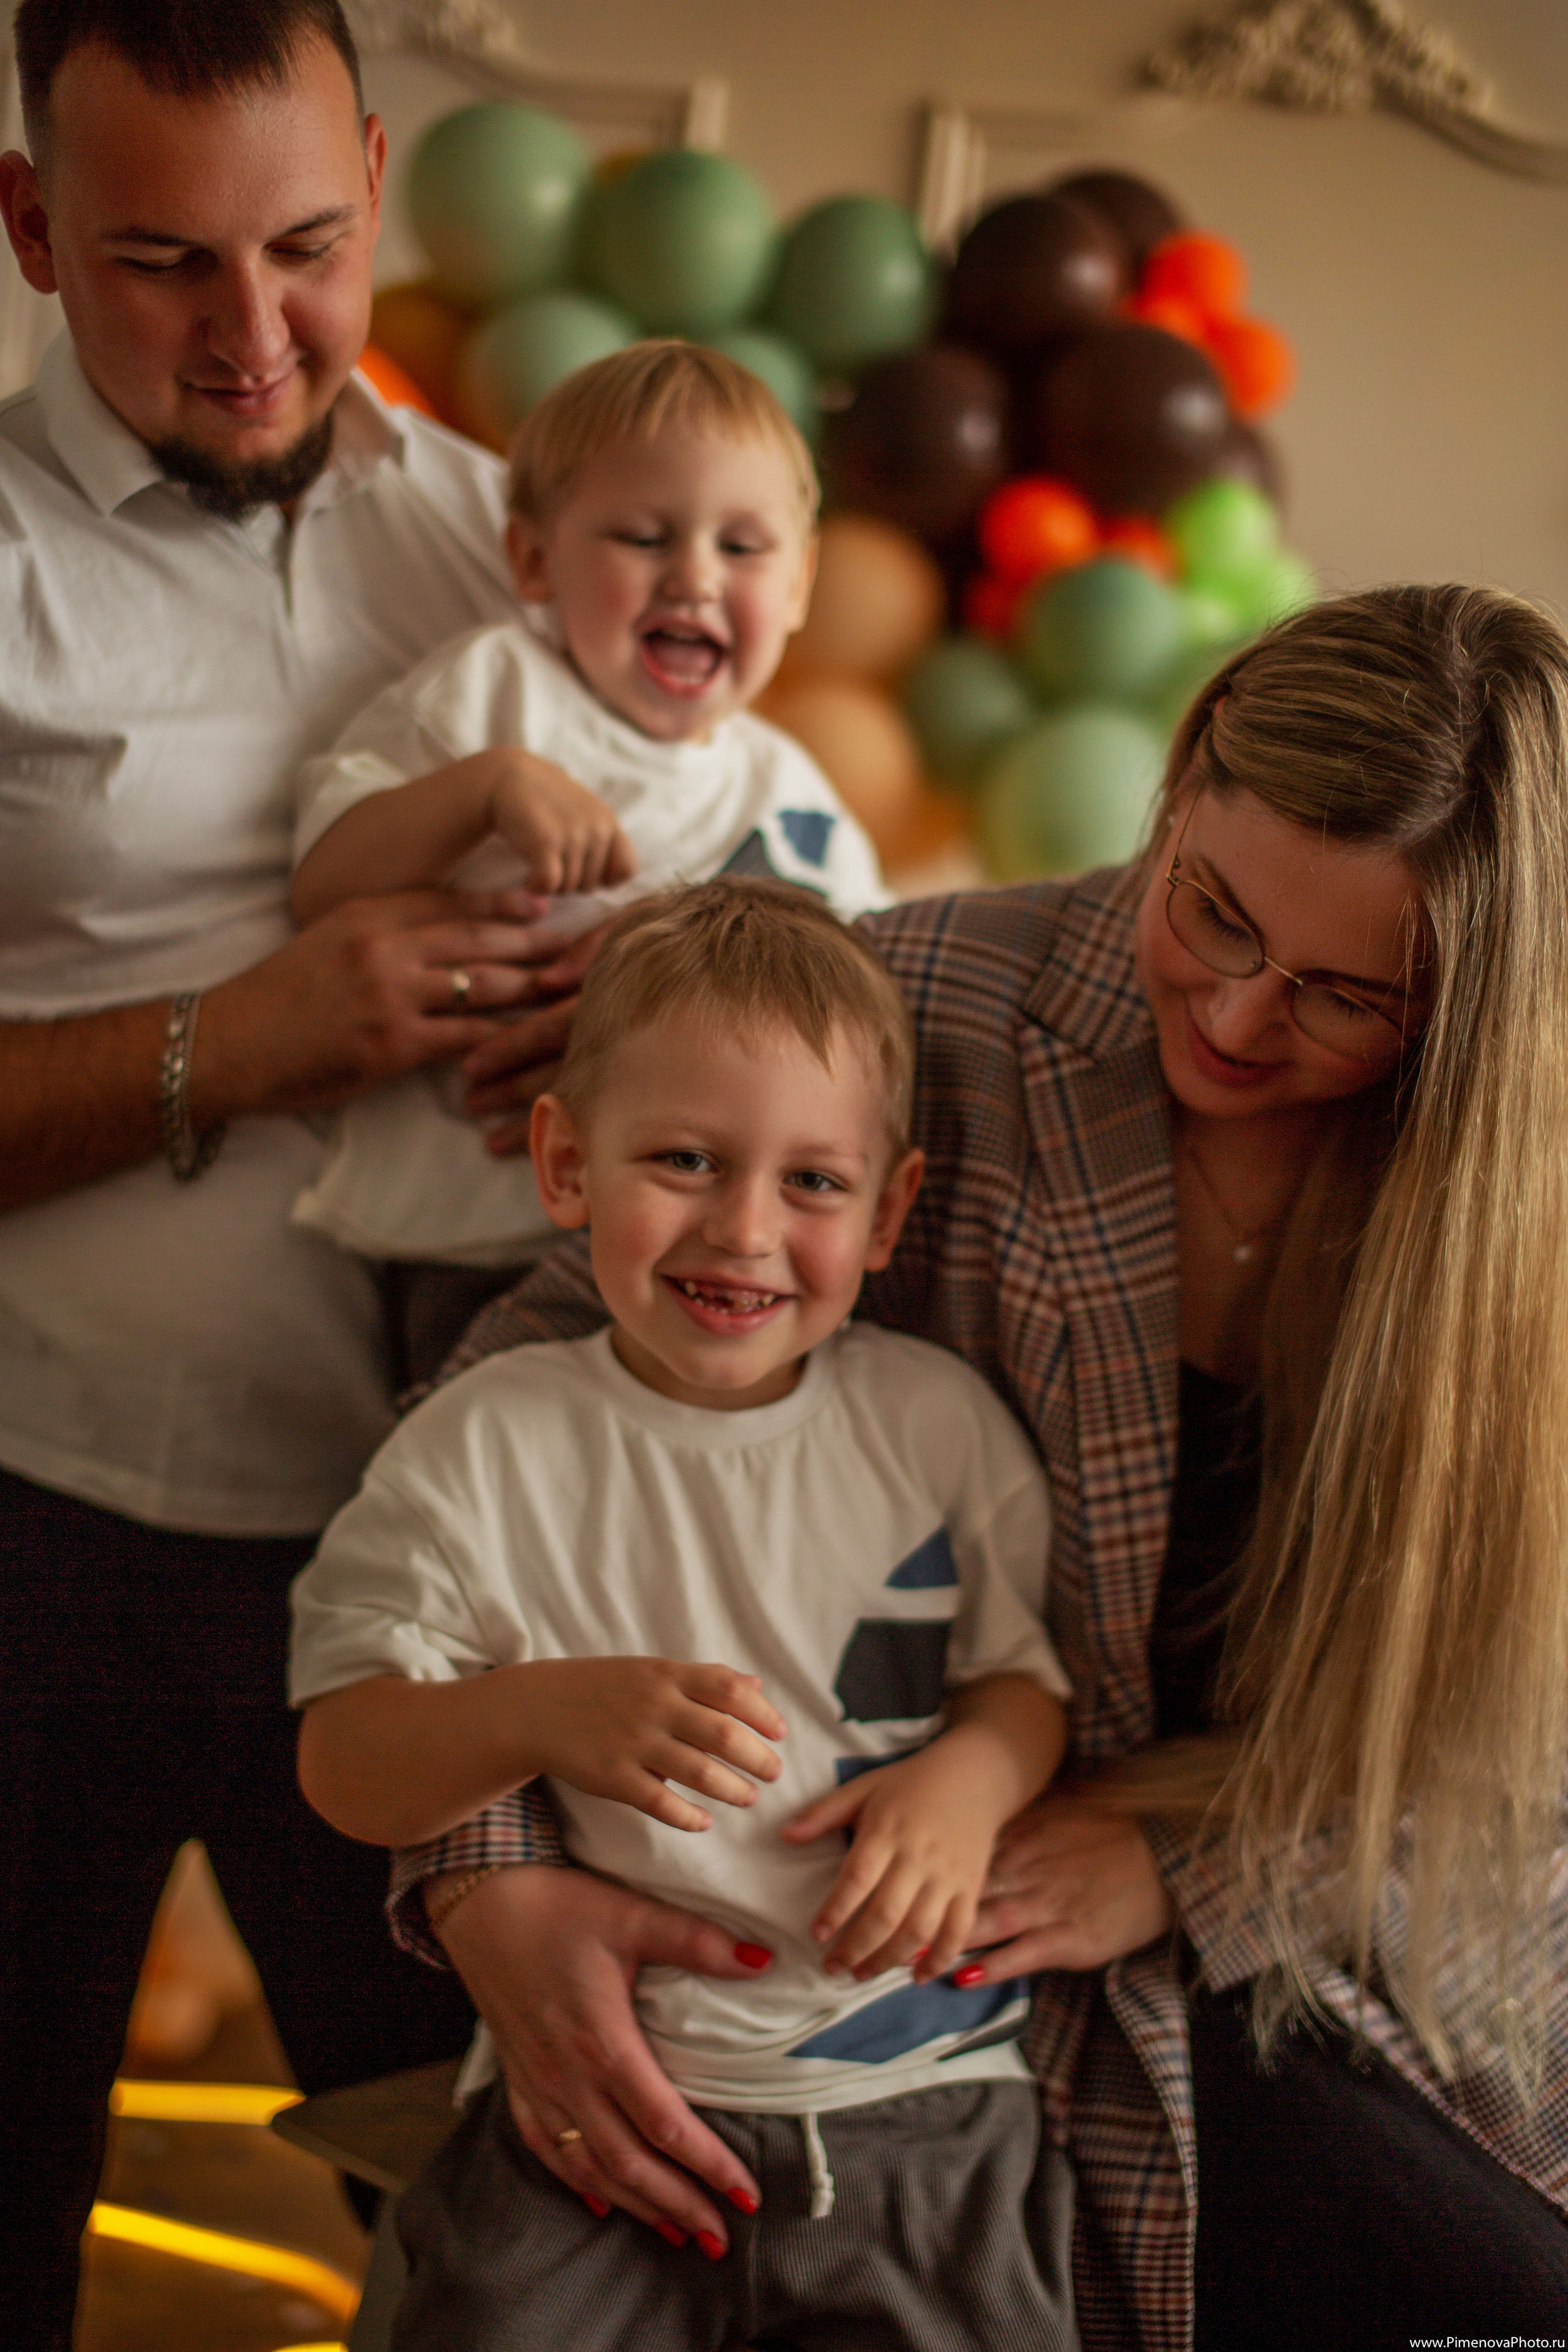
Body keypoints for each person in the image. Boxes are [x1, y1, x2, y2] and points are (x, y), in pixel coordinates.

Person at [391, 587, 1568, 2346]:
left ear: (1476, 1009)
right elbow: (522, 1404)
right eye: (1212, 912)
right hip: (893, 1947)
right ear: (1172, 795)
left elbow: (1516, 1730)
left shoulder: (1523, 1208)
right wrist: (491, 1877)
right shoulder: (925, 1004)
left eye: (1342, 996)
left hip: (1360, 1891)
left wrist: (1183, 1869)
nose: (1240, 1020)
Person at [0, 2, 576, 2337]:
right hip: (26, 1534)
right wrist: (236, 1042)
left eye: (308, 249)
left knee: (485, 2220)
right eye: (158, 264)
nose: (255, 339)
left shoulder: (523, 553)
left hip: (427, 1567)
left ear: (369, 165)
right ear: (30, 229)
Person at [290, 879, 1076, 2350]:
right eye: (685, 1160)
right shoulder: (482, 1444)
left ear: (892, 1206)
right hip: (593, 2121)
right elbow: (344, 1760)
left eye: (813, 1183)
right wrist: (529, 1713)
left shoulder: (940, 1425)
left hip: (922, 2111)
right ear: (564, 1162)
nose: (742, 1230)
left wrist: (970, 1783)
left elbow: (1020, 1687)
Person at [287, 343, 884, 1324]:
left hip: (707, 1255)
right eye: (644, 537)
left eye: (742, 548)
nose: (694, 578)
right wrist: (486, 788)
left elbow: (869, 990)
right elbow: (321, 885)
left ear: (799, 586)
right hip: (475, 1227)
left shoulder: (791, 797)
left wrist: (714, 949)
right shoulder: (497, 689)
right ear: (533, 556)